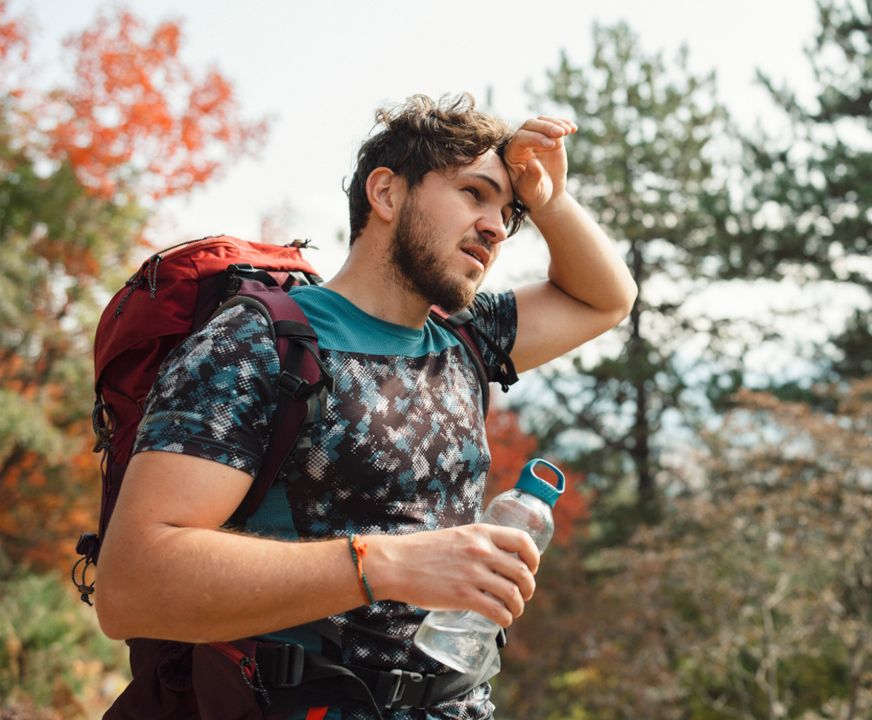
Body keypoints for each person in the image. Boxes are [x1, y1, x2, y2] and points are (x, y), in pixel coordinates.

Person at [92, 93, 637, 719]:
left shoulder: (464, 336)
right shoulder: (257, 343)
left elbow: (606, 299)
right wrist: (389, 564)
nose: (496, 226)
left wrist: (551, 200)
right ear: (385, 194)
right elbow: (131, 587)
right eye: (473, 193)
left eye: (508, 212)